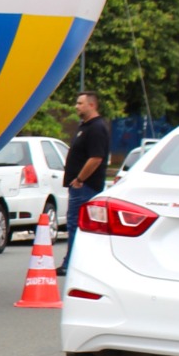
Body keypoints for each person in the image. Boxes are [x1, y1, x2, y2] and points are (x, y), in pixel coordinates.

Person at [59, 90, 110, 276]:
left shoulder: (96, 128)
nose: (76, 106)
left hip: (85, 186)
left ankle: (72, 264)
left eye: (80, 103)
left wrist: (80, 179)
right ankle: (73, 261)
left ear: (92, 105)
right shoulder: (85, 127)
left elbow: (96, 158)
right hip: (79, 186)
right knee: (75, 224)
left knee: (77, 225)